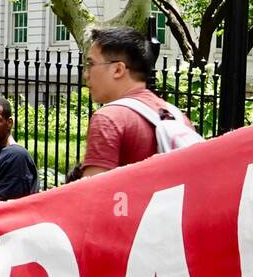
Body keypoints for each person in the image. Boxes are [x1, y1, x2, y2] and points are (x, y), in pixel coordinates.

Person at [80, 26, 198, 176]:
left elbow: (92, 194)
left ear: (118, 69)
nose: (86, 74)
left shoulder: (109, 118)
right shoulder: (179, 118)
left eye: (91, 64)